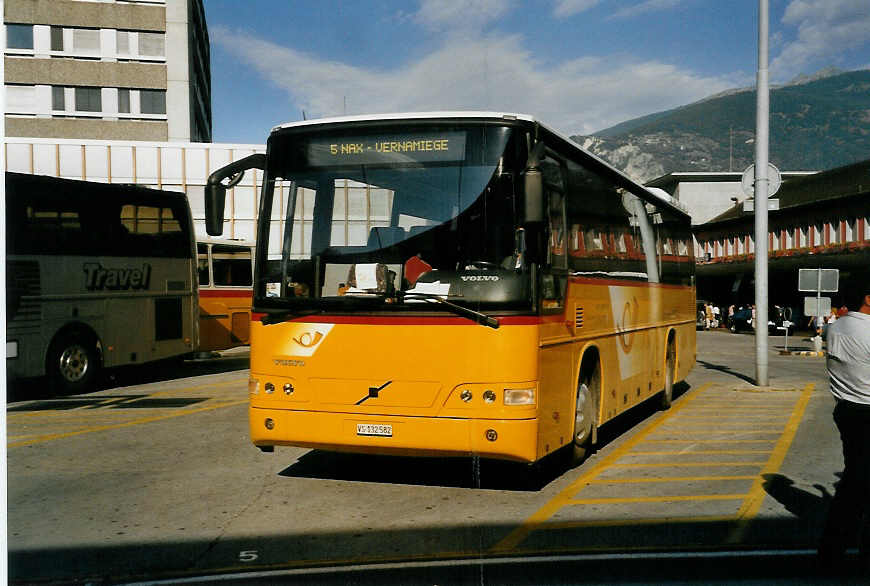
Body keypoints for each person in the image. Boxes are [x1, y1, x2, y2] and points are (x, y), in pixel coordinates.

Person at [818, 290, 870, 570]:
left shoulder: (835, 328)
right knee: (856, 483)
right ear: (868, 299)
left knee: (856, 477)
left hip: (846, 410)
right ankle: (835, 550)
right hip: (867, 410)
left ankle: (835, 548)